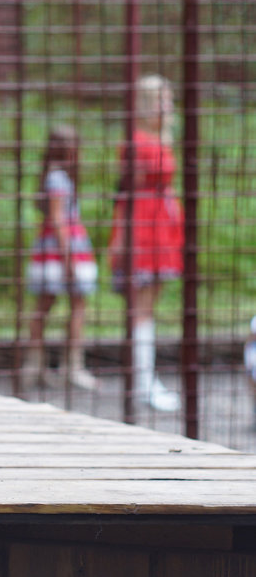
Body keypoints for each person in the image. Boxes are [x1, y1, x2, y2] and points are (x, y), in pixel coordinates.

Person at [108, 74, 182, 412]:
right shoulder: (137, 141)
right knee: (140, 307)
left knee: (149, 307)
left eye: (169, 100)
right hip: (143, 228)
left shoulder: (160, 138)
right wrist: (121, 239)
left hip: (162, 228)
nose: (168, 106)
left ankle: (146, 378)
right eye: (162, 100)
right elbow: (126, 193)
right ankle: (142, 382)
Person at [21, 125, 98, 390]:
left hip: (53, 248)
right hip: (61, 249)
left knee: (46, 307)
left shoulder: (52, 175)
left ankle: (38, 364)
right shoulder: (58, 178)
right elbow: (58, 220)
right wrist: (69, 258)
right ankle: (70, 367)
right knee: (73, 306)